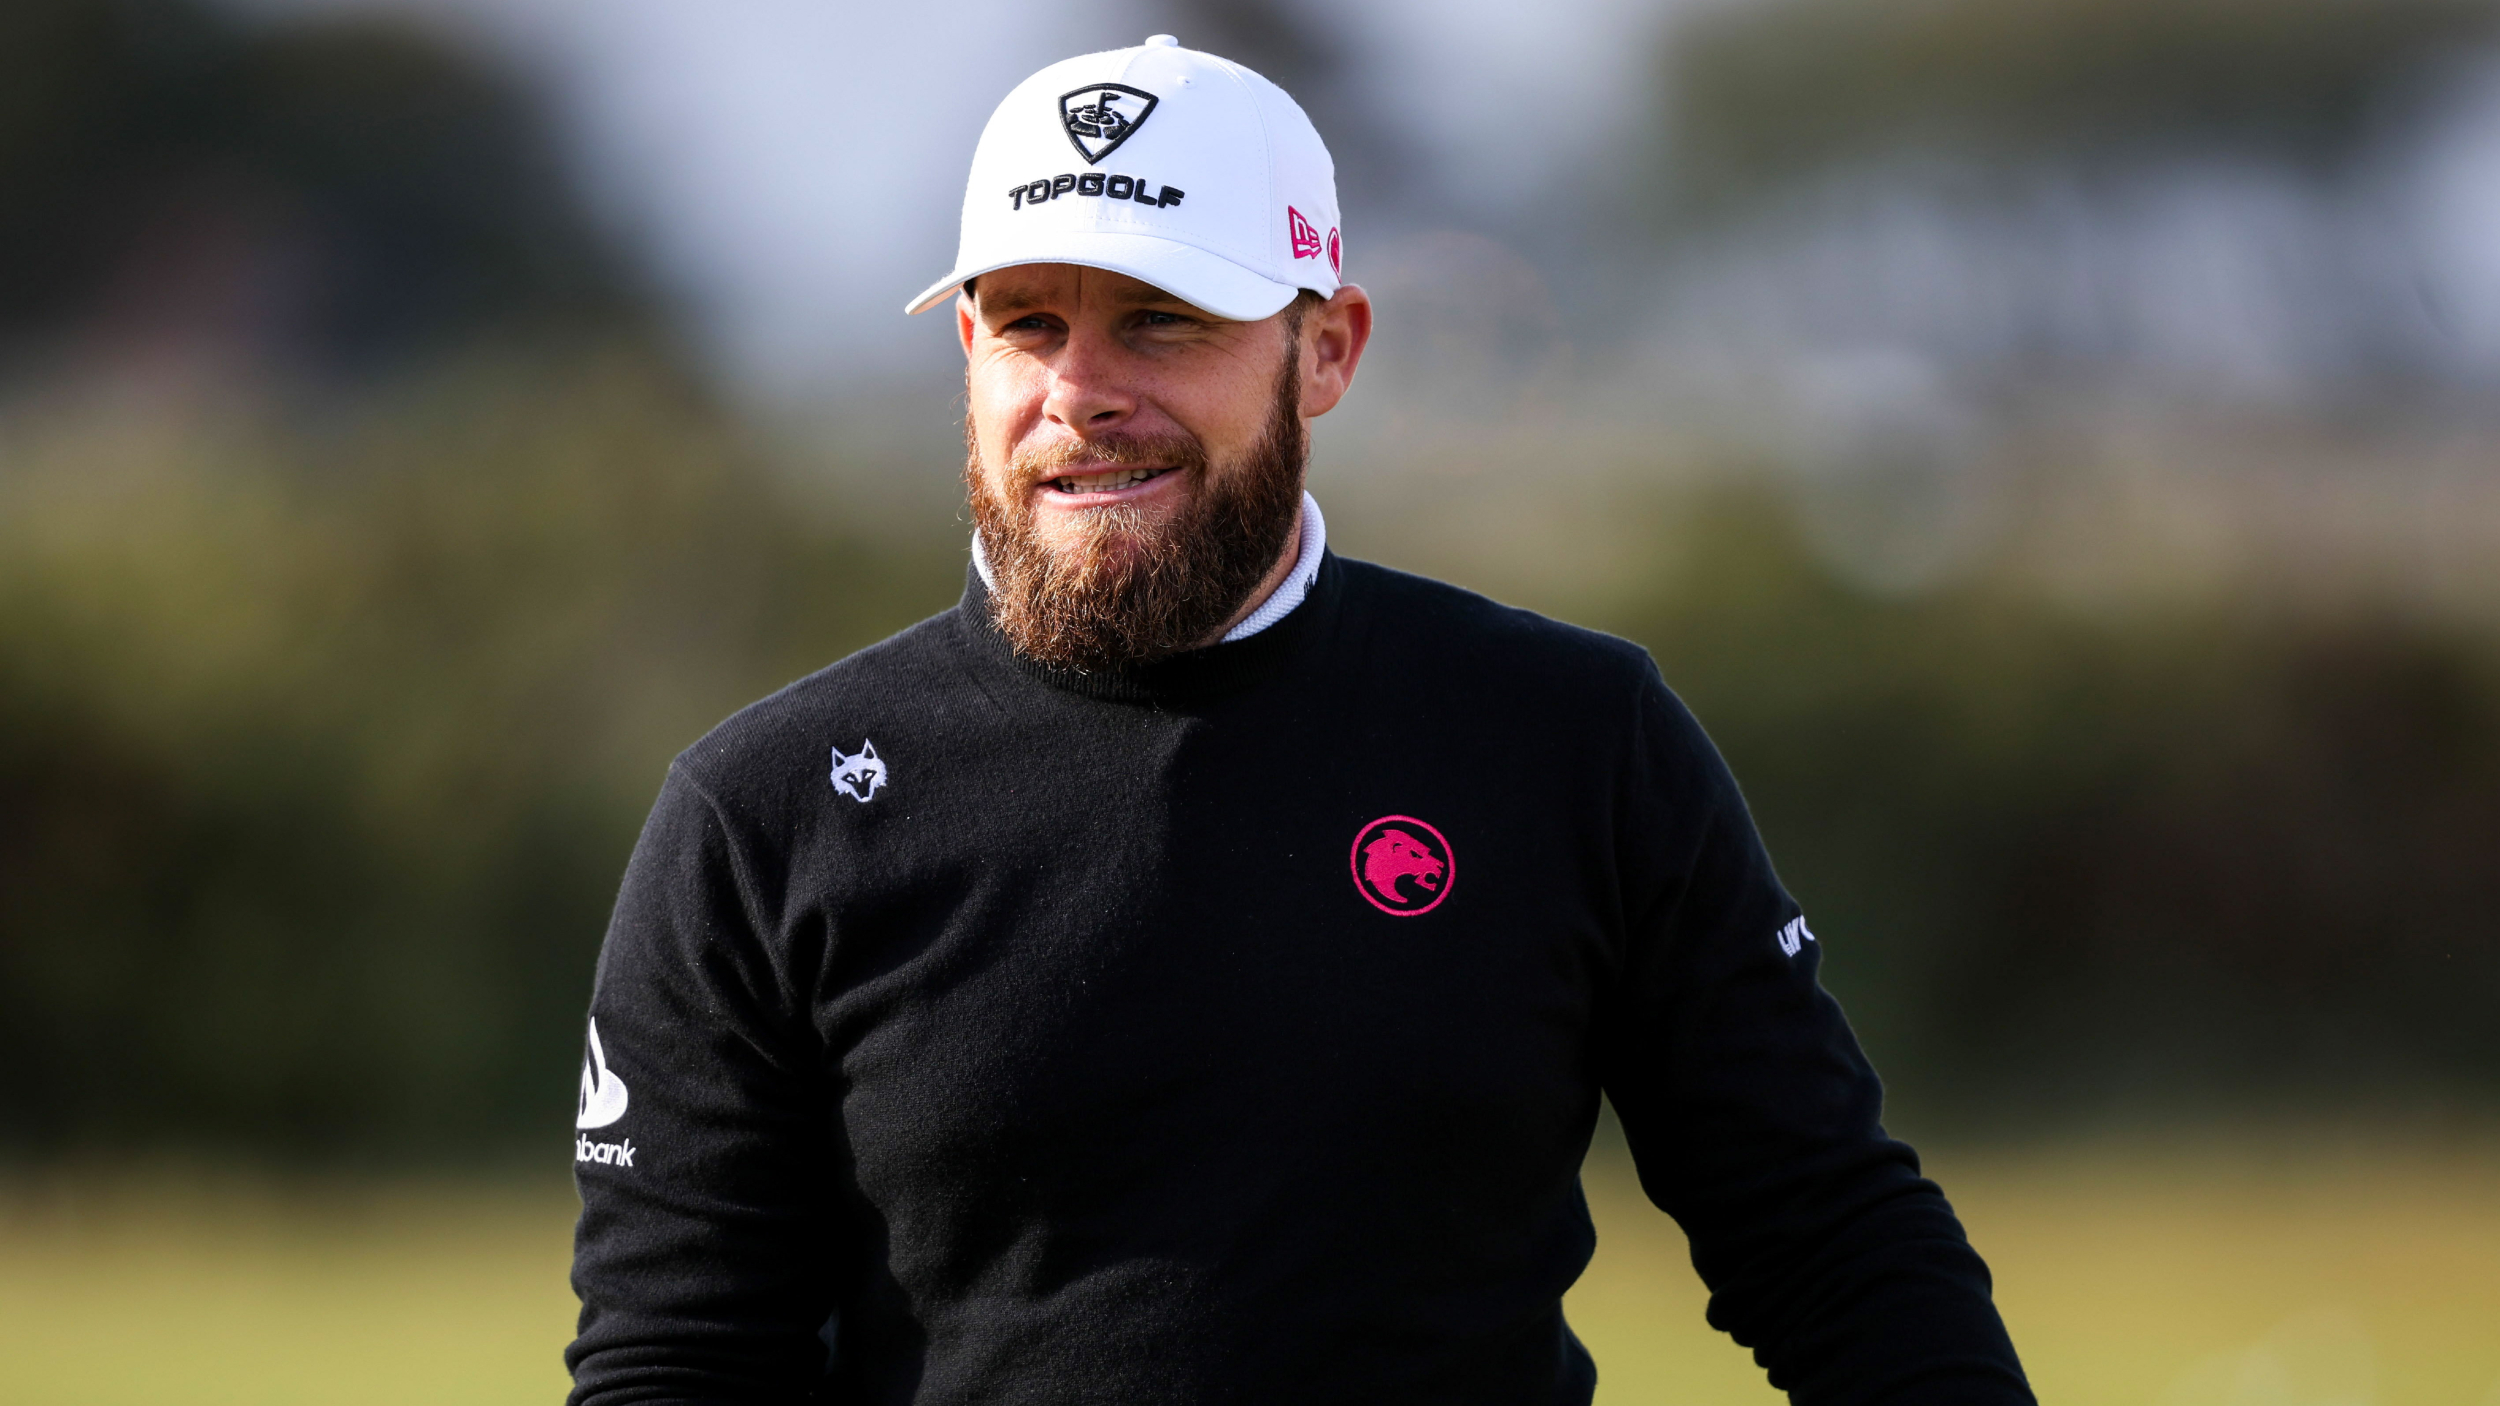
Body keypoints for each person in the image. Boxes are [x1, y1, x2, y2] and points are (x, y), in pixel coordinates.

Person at [566, 35, 2032, 1406]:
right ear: (969, 351)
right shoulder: (762, 817)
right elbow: (676, 1358)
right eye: (1029, 325)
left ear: (1326, 348)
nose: (1081, 393)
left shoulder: (1570, 740)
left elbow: (1832, 1240)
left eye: (1163, 320)